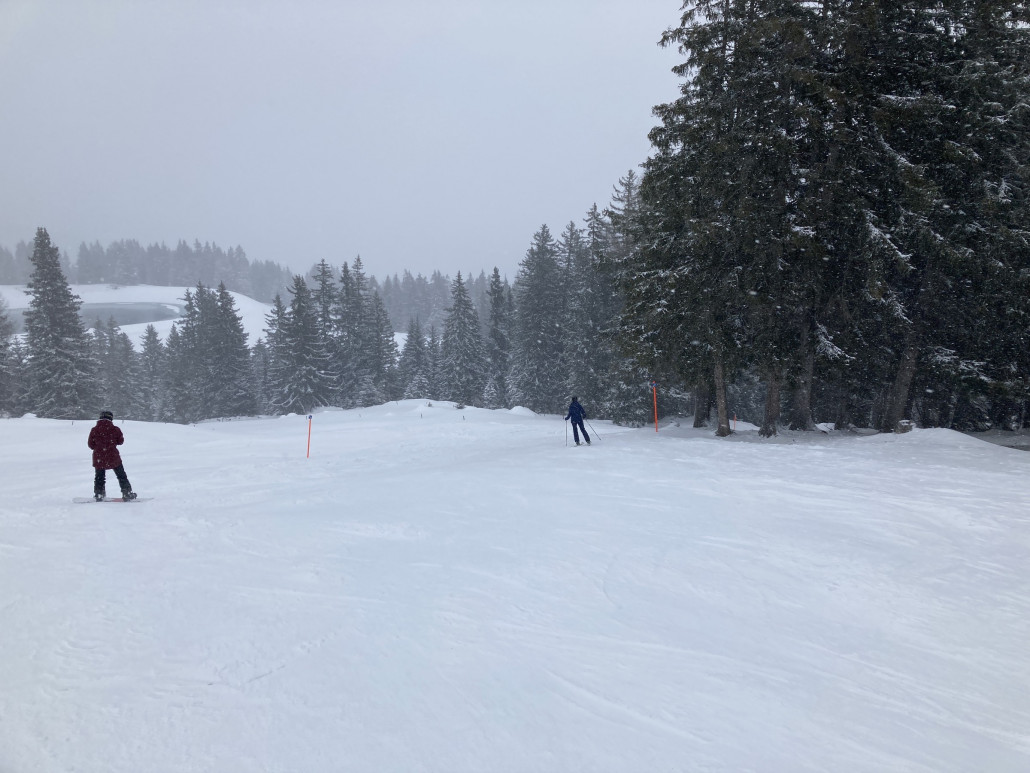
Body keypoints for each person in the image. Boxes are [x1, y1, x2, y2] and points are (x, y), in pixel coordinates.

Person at [88, 410, 137, 501]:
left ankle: (99, 494)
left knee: (99, 477)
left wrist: (99, 447)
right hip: (113, 456)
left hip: (99, 457)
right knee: (121, 476)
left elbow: (91, 445)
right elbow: (120, 442)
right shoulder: (115, 429)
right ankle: (127, 493)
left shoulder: (94, 430)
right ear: (111, 418)